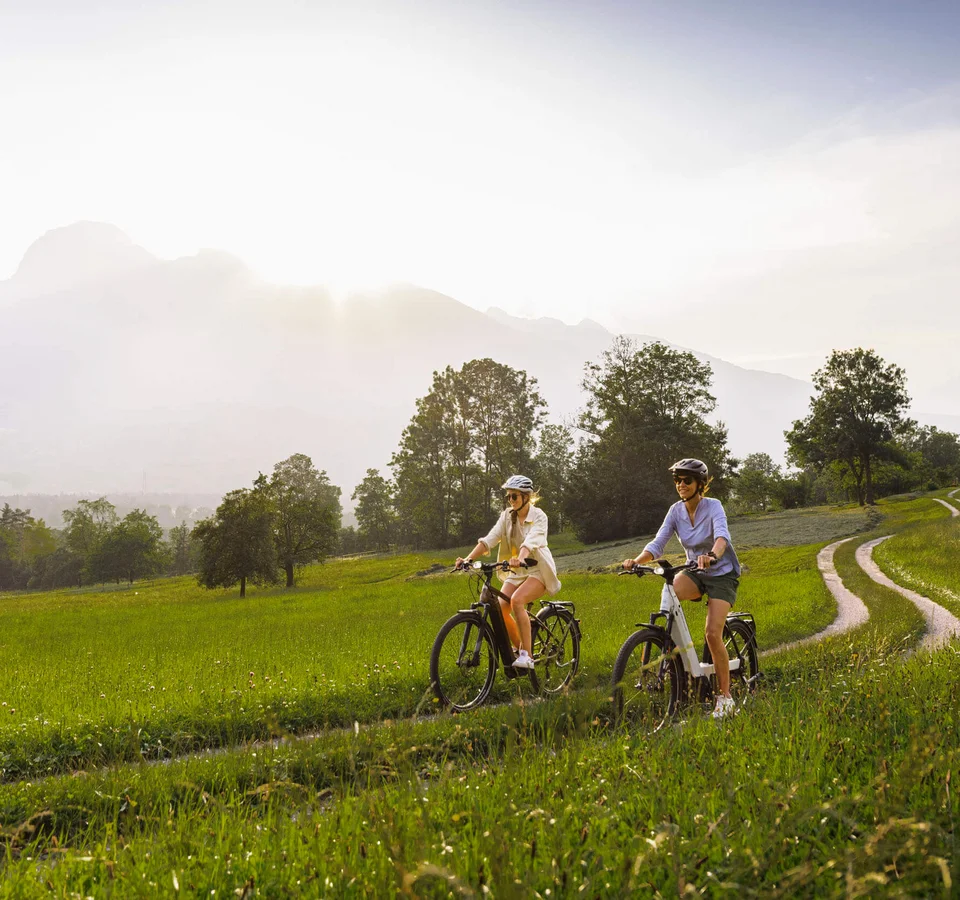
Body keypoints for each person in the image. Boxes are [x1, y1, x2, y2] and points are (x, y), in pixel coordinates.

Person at [622, 458, 742, 719]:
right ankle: (680, 664)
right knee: (670, 593)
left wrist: (712, 554)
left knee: (712, 634)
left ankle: (725, 697)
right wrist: (636, 561)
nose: (681, 485)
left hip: (721, 573)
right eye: (677, 480)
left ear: (700, 484)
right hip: (695, 571)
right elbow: (658, 543)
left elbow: (722, 537)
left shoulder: (714, 507)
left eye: (687, 480)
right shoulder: (675, 511)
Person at [457, 475, 562, 669]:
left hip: (538, 568)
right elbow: (491, 538)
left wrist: (520, 558)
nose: (511, 500)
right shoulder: (507, 515)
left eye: (514, 496)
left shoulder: (539, 516)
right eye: (509, 497)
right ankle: (518, 648)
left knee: (517, 601)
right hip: (517, 570)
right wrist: (468, 559)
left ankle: (527, 656)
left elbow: (530, 541)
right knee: (500, 607)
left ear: (526, 497)